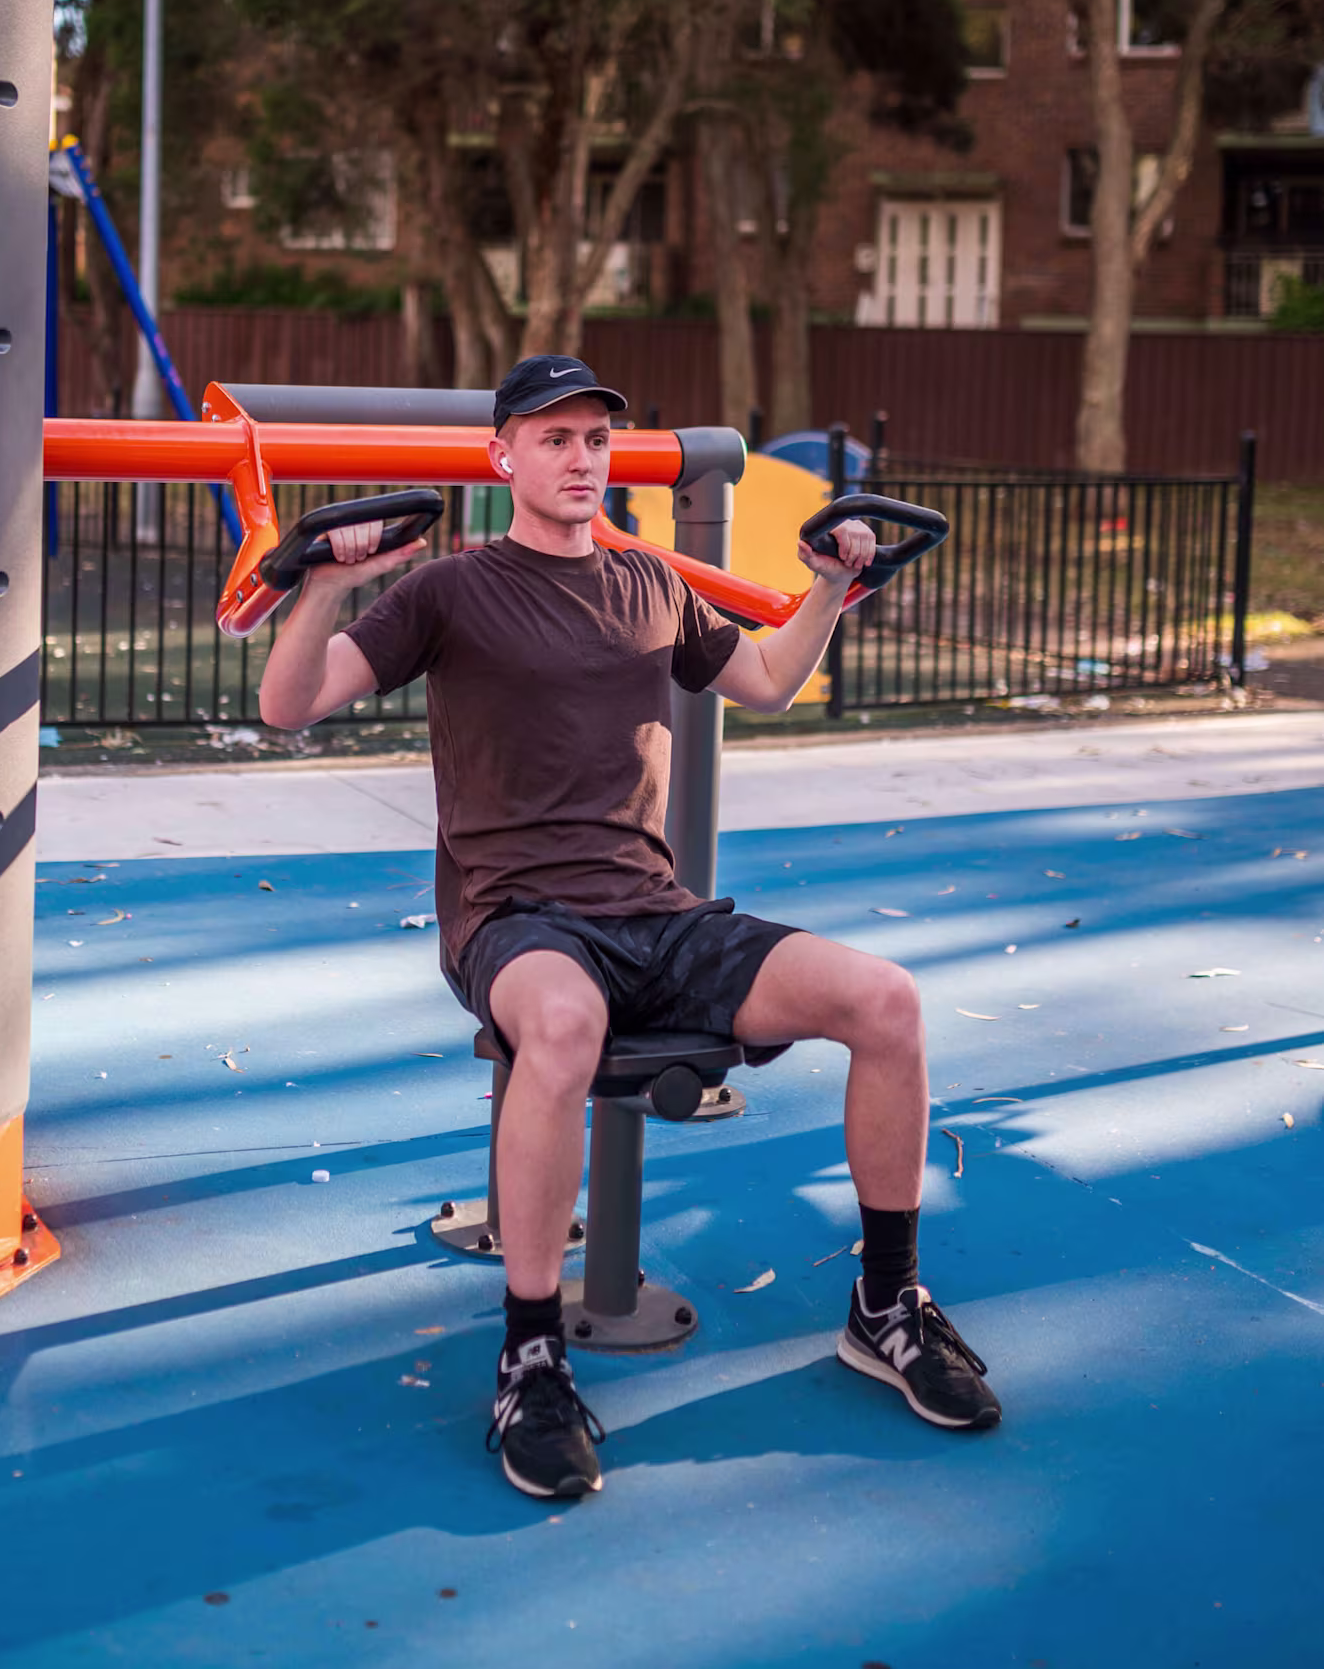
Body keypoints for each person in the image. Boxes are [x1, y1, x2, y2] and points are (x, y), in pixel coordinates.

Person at [258, 355, 1000, 1501]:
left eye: (594, 438)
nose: (579, 457)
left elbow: (762, 681)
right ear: (499, 456)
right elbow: (288, 703)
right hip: (515, 916)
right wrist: (318, 586)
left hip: (653, 913)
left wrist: (827, 587)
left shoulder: (648, 581)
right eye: (551, 438)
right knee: (559, 1024)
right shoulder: (450, 589)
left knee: (885, 999)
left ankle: (884, 1302)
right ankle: (531, 1352)